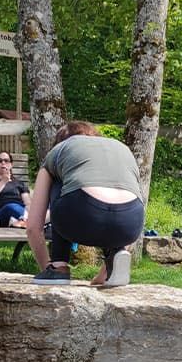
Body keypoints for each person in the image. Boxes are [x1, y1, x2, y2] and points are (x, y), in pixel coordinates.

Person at [26, 121, 145, 288]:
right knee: (115, 195)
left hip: (82, 216)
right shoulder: (121, 148)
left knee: (59, 183)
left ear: (61, 140)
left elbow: (33, 227)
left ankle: (58, 267)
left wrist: (47, 266)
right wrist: (102, 275)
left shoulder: (60, 150)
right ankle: (116, 256)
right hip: (130, 224)